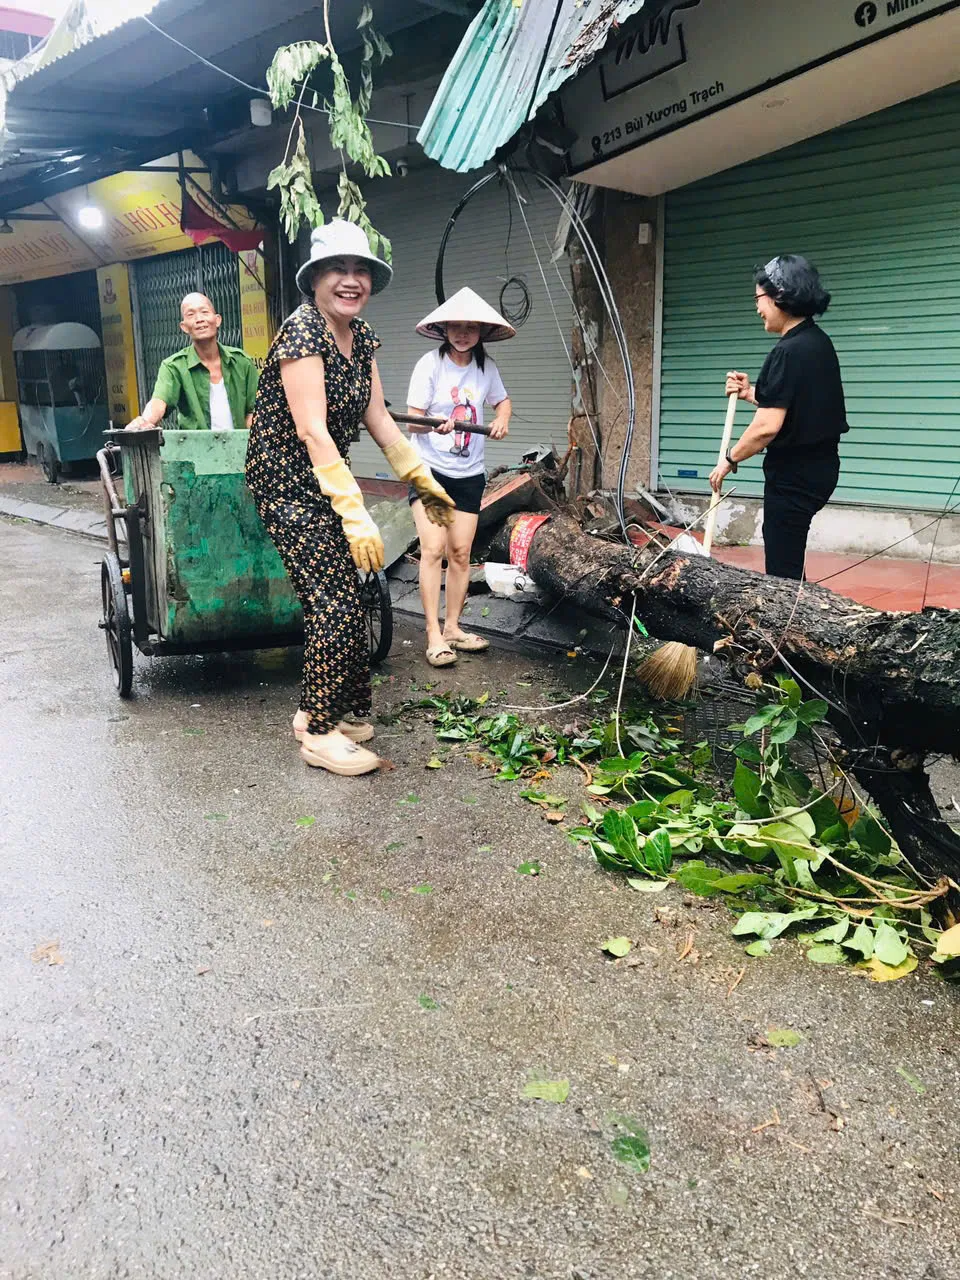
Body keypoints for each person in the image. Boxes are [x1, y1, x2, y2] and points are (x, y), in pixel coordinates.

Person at [246, 220, 454, 777]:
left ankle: (349, 710)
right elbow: (314, 431)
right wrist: (355, 511)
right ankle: (316, 728)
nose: (351, 280)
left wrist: (423, 480)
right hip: (287, 486)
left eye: (360, 270)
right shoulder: (301, 334)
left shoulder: (360, 338)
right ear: (315, 278)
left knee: (353, 595)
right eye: (338, 269)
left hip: (324, 483)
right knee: (332, 603)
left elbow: (380, 419)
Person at [709, 254, 848, 581]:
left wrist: (728, 460)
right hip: (819, 468)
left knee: (782, 574)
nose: (757, 307)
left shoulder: (788, 351)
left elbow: (767, 427)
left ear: (780, 296)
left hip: (795, 476)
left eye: (759, 298)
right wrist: (750, 393)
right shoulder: (816, 342)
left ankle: (793, 626)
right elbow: (791, 404)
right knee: (788, 561)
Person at [405, 287, 513, 667]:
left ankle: (453, 627)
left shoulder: (487, 368)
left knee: (461, 554)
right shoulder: (429, 365)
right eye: (456, 326)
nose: (462, 333)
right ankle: (433, 635)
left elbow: (502, 401)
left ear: (481, 331)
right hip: (429, 472)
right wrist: (433, 425)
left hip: (469, 474)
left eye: (470, 327)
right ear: (445, 328)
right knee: (433, 549)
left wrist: (501, 419)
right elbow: (412, 420)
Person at [127, 293, 258, 432]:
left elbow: (254, 411)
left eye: (204, 312)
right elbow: (159, 402)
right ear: (184, 327)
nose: (199, 319)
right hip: (195, 450)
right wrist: (145, 421)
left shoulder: (242, 362)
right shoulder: (174, 366)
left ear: (217, 320)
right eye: (191, 314)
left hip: (240, 448)